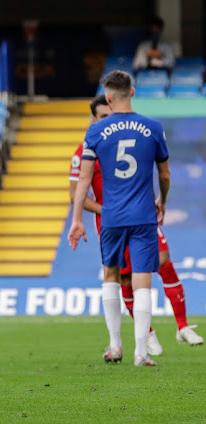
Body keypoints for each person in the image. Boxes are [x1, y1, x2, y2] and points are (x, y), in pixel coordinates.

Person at [69, 95, 203, 353]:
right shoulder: (85, 151)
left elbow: (150, 173)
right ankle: (146, 335)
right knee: (126, 277)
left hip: (141, 214)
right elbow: (76, 194)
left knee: (163, 259)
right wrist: (105, 210)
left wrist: (154, 200)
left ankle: (182, 326)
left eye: (112, 115)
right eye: (104, 117)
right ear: (94, 120)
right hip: (111, 221)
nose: (110, 121)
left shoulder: (133, 137)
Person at [68, 70, 171, 367]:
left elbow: (84, 179)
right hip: (143, 215)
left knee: (111, 276)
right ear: (133, 92)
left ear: (108, 97)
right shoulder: (153, 127)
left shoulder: (96, 131)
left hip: (111, 216)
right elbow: (164, 174)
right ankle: (141, 352)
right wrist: (162, 201)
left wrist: (77, 220)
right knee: (142, 279)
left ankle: (115, 346)